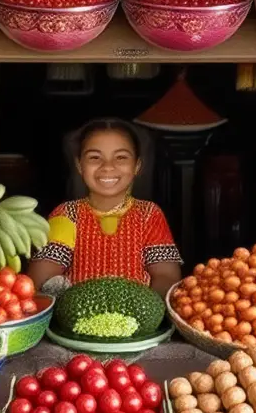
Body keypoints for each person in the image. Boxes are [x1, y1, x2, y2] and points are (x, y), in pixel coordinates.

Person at [28, 118, 182, 298]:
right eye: (95, 157)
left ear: (137, 166)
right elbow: (41, 277)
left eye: (121, 157)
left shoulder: (149, 214)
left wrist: (143, 308)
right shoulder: (67, 214)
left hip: (138, 320)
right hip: (77, 318)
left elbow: (166, 276)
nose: (108, 166)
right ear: (79, 165)